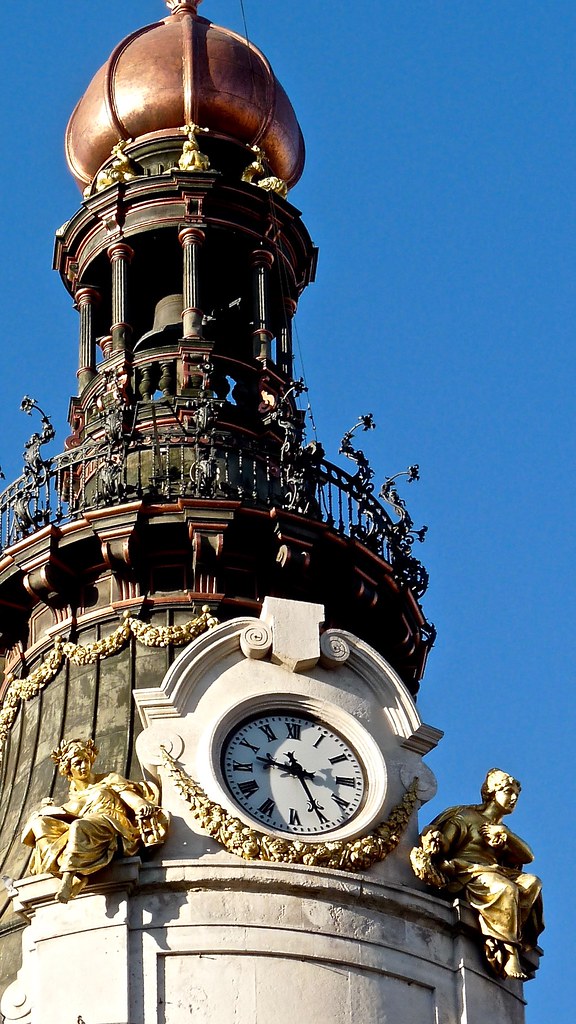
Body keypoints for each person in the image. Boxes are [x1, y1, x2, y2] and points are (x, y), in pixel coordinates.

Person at [410, 768, 544, 980]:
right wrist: (435, 840)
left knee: (532, 883)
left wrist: (506, 835)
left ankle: (509, 929)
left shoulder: (501, 829)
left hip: (493, 871)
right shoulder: (467, 817)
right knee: (505, 889)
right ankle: (509, 954)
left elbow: (528, 857)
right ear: (492, 792)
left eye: (516, 794)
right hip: (466, 870)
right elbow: (445, 845)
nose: (514, 798)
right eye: (508, 792)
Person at [22, 737, 168, 903]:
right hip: (88, 825)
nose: (84, 766)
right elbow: (64, 817)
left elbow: (130, 797)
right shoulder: (73, 798)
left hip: (112, 822)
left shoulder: (108, 779)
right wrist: (45, 812)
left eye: (85, 760)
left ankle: (69, 877)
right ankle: (72, 871)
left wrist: (141, 805)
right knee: (39, 823)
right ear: (68, 769)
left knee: (79, 826)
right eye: (77, 763)